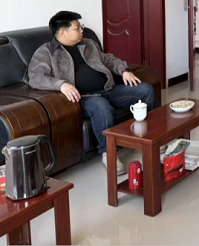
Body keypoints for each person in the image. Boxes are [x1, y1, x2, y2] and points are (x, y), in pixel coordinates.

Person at [28, 11, 156, 175]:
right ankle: (108, 154)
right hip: (84, 99)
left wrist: (124, 71)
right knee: (100, 106)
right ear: (63, 32)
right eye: (77, 28)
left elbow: (108, 59)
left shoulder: (88, 44)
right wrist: (61, 85)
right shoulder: (46, 52)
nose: (82, 30)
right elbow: (36, 78)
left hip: (108, 90)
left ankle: (147, 139)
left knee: (145, 90)